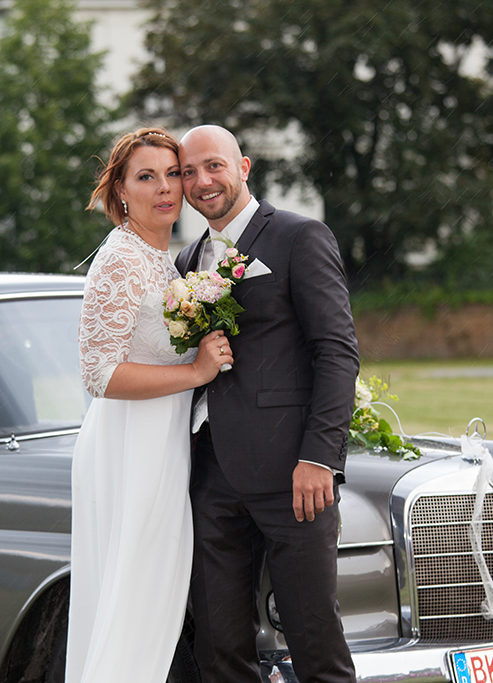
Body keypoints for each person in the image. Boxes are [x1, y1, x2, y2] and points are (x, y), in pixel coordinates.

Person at [176, 125, 360, 683]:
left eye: (214, 166)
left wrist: (320, 458)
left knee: (312, 638)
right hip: (208, 475)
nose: (202, 181)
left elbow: (336, 352)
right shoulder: (186, 261)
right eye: (188, 172)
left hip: (292, 474)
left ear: (244, 167)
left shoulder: (300, 237)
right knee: (219, 644)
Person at [66, 127, 233, 683]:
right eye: (146, 177)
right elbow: (99, 373)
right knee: (131, 608)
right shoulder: (120, 260)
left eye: (172, 174)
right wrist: (194, 372)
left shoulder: (163, 259)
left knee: (151, 609)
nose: (165, 189)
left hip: (162, 448)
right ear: (120, 193)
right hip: (128, 450)